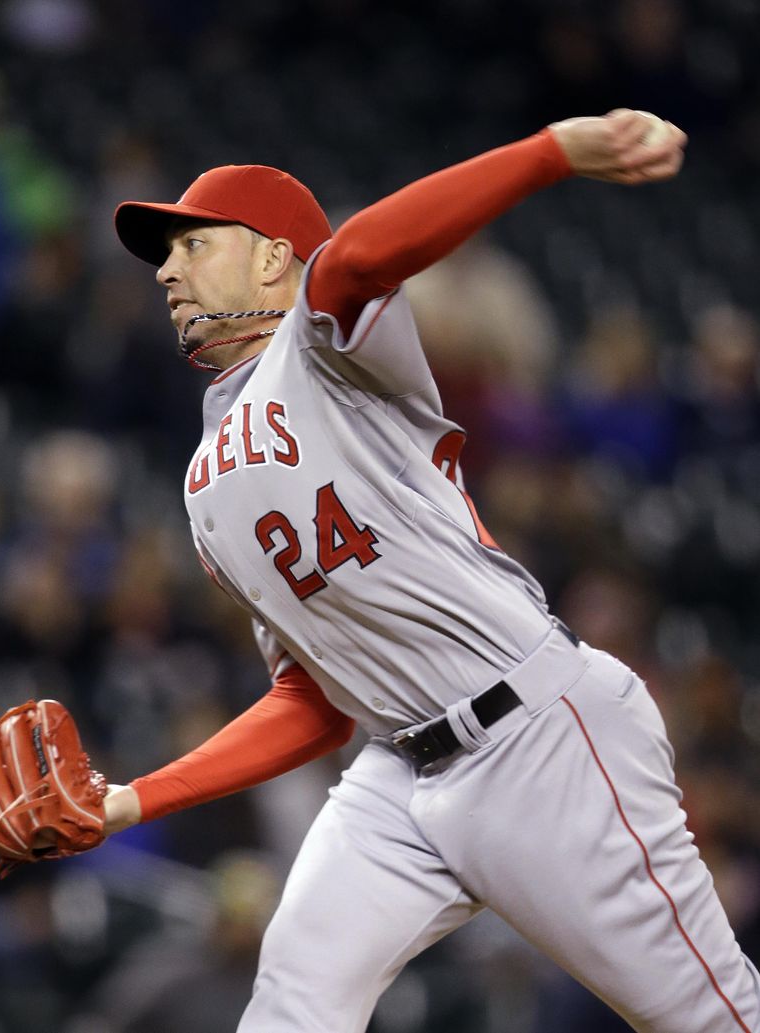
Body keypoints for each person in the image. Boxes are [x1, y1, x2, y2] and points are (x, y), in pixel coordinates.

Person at [104, 109, 759, 1033]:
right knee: (292, 1001)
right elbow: (313, 697)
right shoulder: (203, 482)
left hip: (537, 733)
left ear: (271, 259)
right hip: (399, 772)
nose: (166, 269)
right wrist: (136, 797)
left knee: (710, 1018)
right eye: (163, 255)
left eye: (193, 243)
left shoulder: (325, 348)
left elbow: (362, 252)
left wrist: (549, 154)